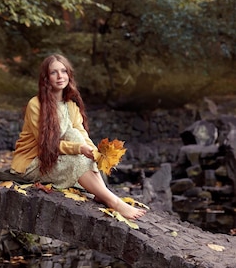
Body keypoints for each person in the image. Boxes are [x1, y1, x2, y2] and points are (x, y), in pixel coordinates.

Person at [10, 53, 147, 220]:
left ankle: (101, 193)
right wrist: (79, 149)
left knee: (75, 136)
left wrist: (93, 152)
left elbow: (81, 134)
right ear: (46, 78)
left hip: (57, 158)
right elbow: (46, 144)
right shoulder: (36, 104)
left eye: (63, 71)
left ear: (69, 74)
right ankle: (113, 201)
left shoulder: (70, 105)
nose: (60, 76)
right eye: (54, 72)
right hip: (33, 161)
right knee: (77, 158)